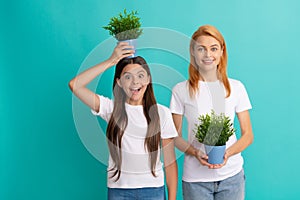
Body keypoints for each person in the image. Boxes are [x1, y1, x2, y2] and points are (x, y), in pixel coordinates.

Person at [69, 43, 178, 200]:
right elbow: (75, 85)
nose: (135, 82)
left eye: (140, 76)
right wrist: (111, 61)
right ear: (119, 82)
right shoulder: (111, 108)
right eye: (128, 77)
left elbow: (170, 162)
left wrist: (172, 198)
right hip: (119, 191)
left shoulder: (162, 113)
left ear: (148, 79)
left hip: (153, 190)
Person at [170, 25, 254, 200]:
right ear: (193, 52)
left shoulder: (236, 88)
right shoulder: (180, 90)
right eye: (201, 49)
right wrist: (195, 152)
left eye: (213, 48)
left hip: (232, 177)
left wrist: (227, 154)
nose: (208, 55)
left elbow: (248, 135)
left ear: (222, 51)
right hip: (195, 180)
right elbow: (175, 137)